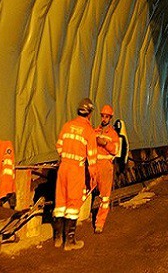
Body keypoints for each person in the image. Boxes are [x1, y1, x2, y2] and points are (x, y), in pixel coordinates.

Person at [52, 98, 98, 251]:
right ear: (90, 113)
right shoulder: (88, 131)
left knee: (60, 201)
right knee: (73, 203)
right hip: (75, 170)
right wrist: (93, 176)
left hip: (63, 167)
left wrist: (66, 157)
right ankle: (69, 241)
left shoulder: (67, 125)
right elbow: (91, 157)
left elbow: (59, 146)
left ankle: (57, 238)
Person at [93, 104, 120, 234]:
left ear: (110, 118)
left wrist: (105, 143)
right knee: (83, 192)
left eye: (107, 117)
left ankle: (100, 223)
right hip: (93, 165)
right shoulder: (94, 131)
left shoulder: (113, 134)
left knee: (104, 198)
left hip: (105, 167)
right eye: (103, 116)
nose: (104, 119)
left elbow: (116, 150)